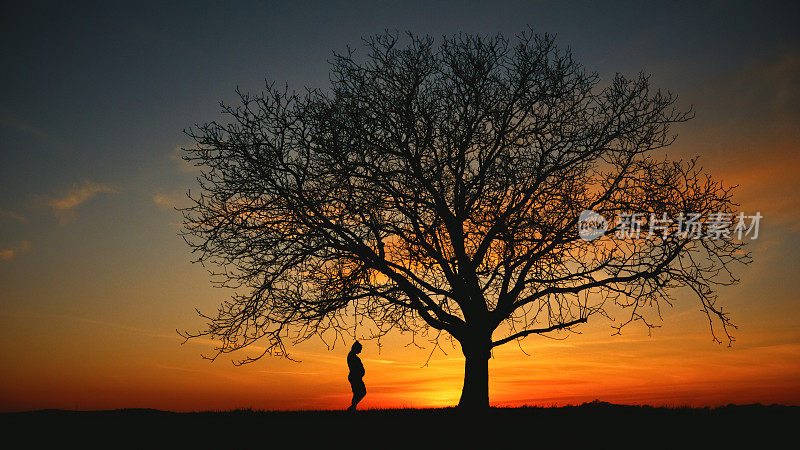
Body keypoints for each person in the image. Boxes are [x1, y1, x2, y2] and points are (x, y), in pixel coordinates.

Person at [347, 341, 366, 411]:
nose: (360, 351)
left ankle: (353, 407)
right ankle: (352, 407)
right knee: (360, 392)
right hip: (355, 377)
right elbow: (355, 367)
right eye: (360, 349)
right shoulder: (351, 356)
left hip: (357, 377)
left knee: (360, 392)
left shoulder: (353, 356)